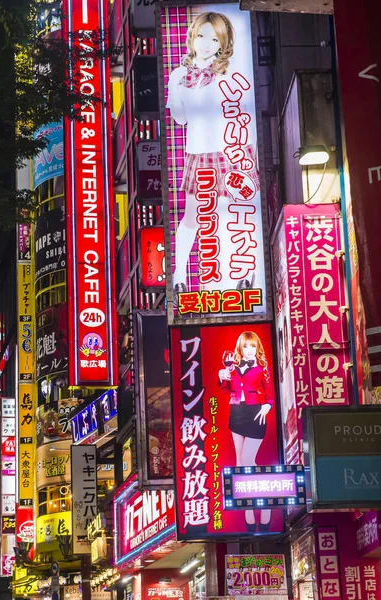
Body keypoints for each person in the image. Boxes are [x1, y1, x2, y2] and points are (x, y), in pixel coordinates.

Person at [166, 11, 259, 298]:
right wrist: (176, 91)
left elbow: (240, 109)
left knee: (236, 212)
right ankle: (179, 274)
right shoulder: (179, 74)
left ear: (223, 42)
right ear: (193, 36)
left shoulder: (230, 71)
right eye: (201, 35)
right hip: (199, 151)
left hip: (232, 150)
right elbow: (180, 119)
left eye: (214, 37)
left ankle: (245, 273)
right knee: (192, 215)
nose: (206, 43)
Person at [219, 331, 273, 532]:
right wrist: (221, 377)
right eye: (245, 346)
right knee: (239, 464)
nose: (249, 350)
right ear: (240, 348)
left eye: (252, 346)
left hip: (255, 413)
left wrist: (268, 406)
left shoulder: (262, 368)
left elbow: (269, 393)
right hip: (236, 413)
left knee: (248, 460)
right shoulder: (232, 367)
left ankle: (267, 504)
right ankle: (249, 518)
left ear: (257, 347)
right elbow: (226, 390)